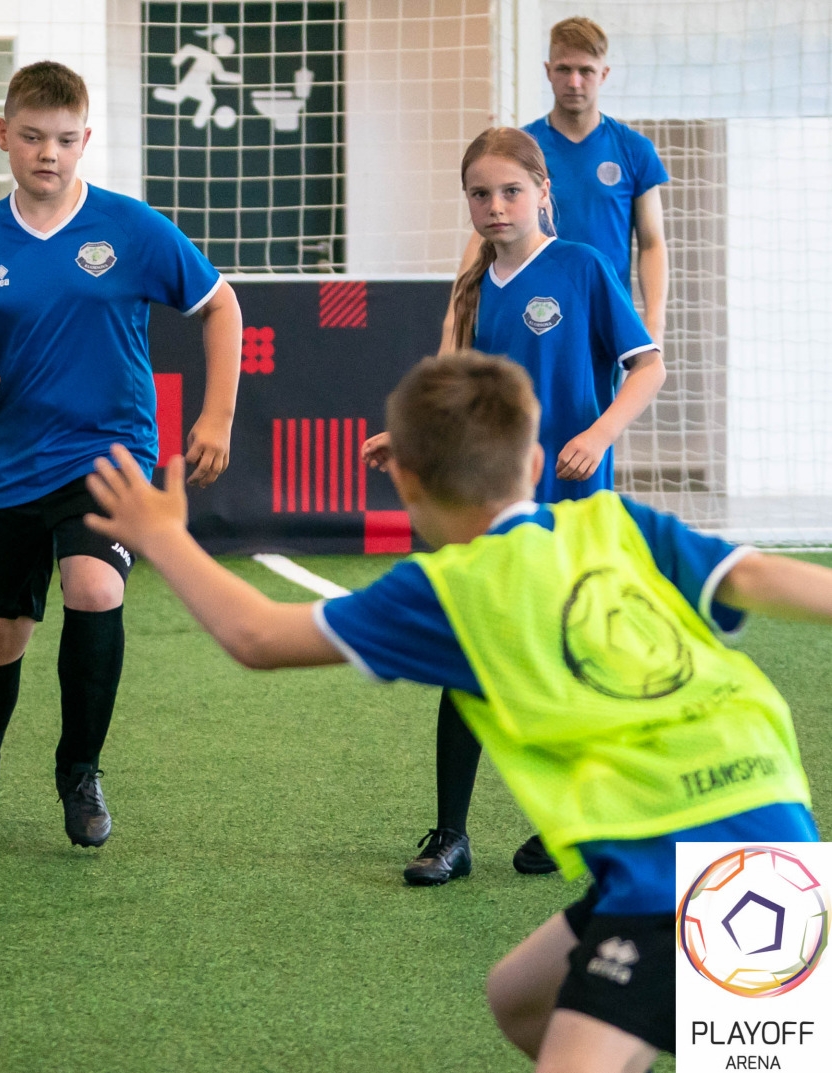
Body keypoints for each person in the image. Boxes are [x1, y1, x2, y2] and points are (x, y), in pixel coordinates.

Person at [84, 351, 821, 1072]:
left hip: (681, 869)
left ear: (403, 481)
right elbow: (754, 571)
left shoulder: (451, 589)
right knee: (520, 998)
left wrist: (162, 537)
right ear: (533, 463)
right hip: (769, 812)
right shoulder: (614, 521)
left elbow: (255, 635)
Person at [0, 61, 243, 847]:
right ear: (3, 136)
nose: (48, 154)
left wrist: (217, 416)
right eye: (32, 137)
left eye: (66, 140)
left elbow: (220, 303)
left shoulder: (132, 227)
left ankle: (80, 775)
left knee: (94, 589)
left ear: (86, 140)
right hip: (13, 463)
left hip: (112, 454)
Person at [364, 126, 667, 885]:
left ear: (542, 193)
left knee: (568, 659)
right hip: (487, 505)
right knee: (466, 656)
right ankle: (451, 836)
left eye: (509, 190)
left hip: (571, 501)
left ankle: (572, 818)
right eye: (479, 193)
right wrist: (409, 441)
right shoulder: (471, 288)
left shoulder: (584, 267)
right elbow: (458, 394)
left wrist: (598, 432)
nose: (495, 206)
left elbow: (648, 368)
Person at [446, 17, 669, 348]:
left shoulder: (634, 150)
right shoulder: (521, 147)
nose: (574, 82)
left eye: (586, 71)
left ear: (603, 74)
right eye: (564, 69)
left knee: (597, 399)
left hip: (600, 310)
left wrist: (654, 322)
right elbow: (486, 233)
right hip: (529, 306)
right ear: (548, 70)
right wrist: (455, 320)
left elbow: (652, 243)